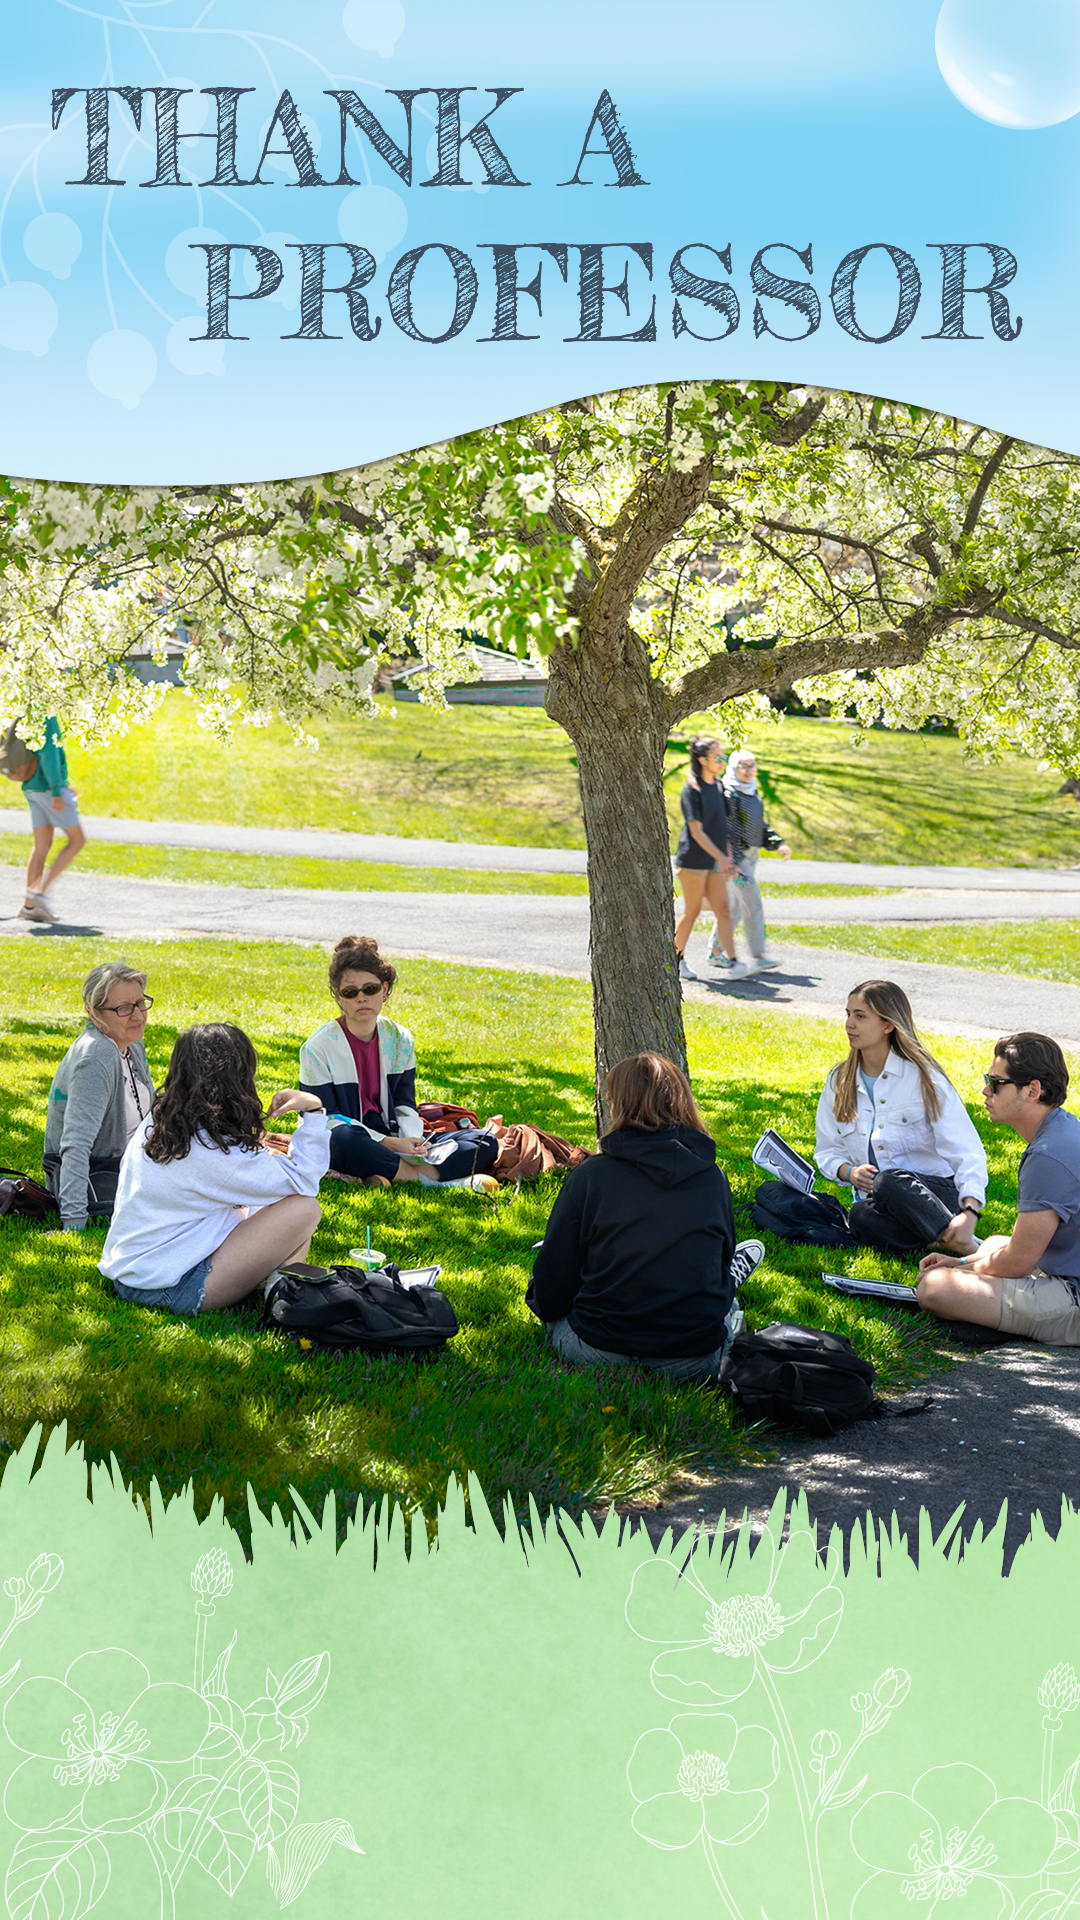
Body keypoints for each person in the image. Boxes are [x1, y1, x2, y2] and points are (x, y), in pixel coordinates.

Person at [526, 1052, 764, 1379]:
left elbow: (553, 1289)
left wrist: (541, 1297)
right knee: (725, 1302)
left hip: (596, 1349)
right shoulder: (712, 1177)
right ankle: (730, 1307)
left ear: (620, 1106)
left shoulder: (591, 1176)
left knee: (551, 1282)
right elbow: (720, 1254)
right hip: (693, 1357)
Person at [100, 1023, 327, 1315]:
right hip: (171, 1286)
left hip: (136, 1268)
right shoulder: (209, 1150)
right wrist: (313, 1112)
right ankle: (282, 1293)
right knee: (302, 1209)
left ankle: (281, 1282)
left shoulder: (164, 1117)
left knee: (272, 1203)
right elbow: (305, 1179)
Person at [917, 1033, 1080, 1343]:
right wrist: (961, 1262)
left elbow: (1019, 1262)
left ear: (1032, 1090)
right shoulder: (1062, 1129)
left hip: (1073, 1297)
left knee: (935, 1287)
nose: (985, 1090)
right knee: (992, 1243)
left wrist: (959, 1274)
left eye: (996, 1082)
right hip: (1066, 1268)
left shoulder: (1048, 1155)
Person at [299, 935, 493, 1187]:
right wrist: (389, 1143)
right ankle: (431, 1182)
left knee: (485, 1140)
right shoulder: (318, 1047)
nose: (361, 998)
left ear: (385, 989)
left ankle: (394, 1172)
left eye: (370, 989)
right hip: (349, 1138)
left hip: (394, 1137)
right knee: (342, 1139)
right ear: (338, 997)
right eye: (350, 992)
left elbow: (404, 1103)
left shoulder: (400, 1038)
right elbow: (323, 1119)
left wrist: (413, 1143)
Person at [815, 980, 988, 1256]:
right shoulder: (838, 1080)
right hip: (879, 1202)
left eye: (860, 1016)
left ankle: (964, 1241)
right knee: (860, 1215)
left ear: (888, 1025)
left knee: (888, 1181)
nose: (849, 1024)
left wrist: (969, 1210)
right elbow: (827, 1150)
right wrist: (850, 1173)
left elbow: (967, 1152)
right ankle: (944, 1239)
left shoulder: (925, 1079)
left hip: (935, 1195)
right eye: (847, 1014)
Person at [42, 961, 155, 1230]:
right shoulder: (96, 1057)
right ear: (93, 1013)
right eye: (124, 1009)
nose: (138, 1016)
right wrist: (74, 1221)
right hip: (104, 1178)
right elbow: (75, 1145)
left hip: (136, 1165)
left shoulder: (130, 1042)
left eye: (140, 1003)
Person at [672, 736, 749, 985]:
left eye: (724, 756)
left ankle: (734, 962)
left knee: (723, 910)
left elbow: (722, 829)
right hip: (693, 859)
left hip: (716, 861)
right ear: (703, 760)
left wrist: (727, 858)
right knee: (692, 911)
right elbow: (697, 831)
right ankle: (674, 959)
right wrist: (721, 858)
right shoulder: (691, 790)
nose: (723, 761)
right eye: (718, 757)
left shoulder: (718, 787)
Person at [0, 717, 87, 924]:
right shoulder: (47, 714)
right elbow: (49, 753)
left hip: (32, 788)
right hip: (48, 789)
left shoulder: (29, 709)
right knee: (77, 841)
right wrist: (58, 789)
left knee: (42, 845)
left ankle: (30, 906)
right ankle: (40, 894)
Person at [712, 747, 791, 972]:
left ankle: (715, 952)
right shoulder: (729, 793)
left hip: (750, 854)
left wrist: (778, 842)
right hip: (736, 856)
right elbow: (728, 829)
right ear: (733, 767)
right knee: (753, 903)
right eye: (743, 765)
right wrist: (734, 862)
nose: (748, 770)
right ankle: (759, 955)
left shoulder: (751, 792)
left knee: (736, 907)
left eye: (752, 765)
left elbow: (759, 825)